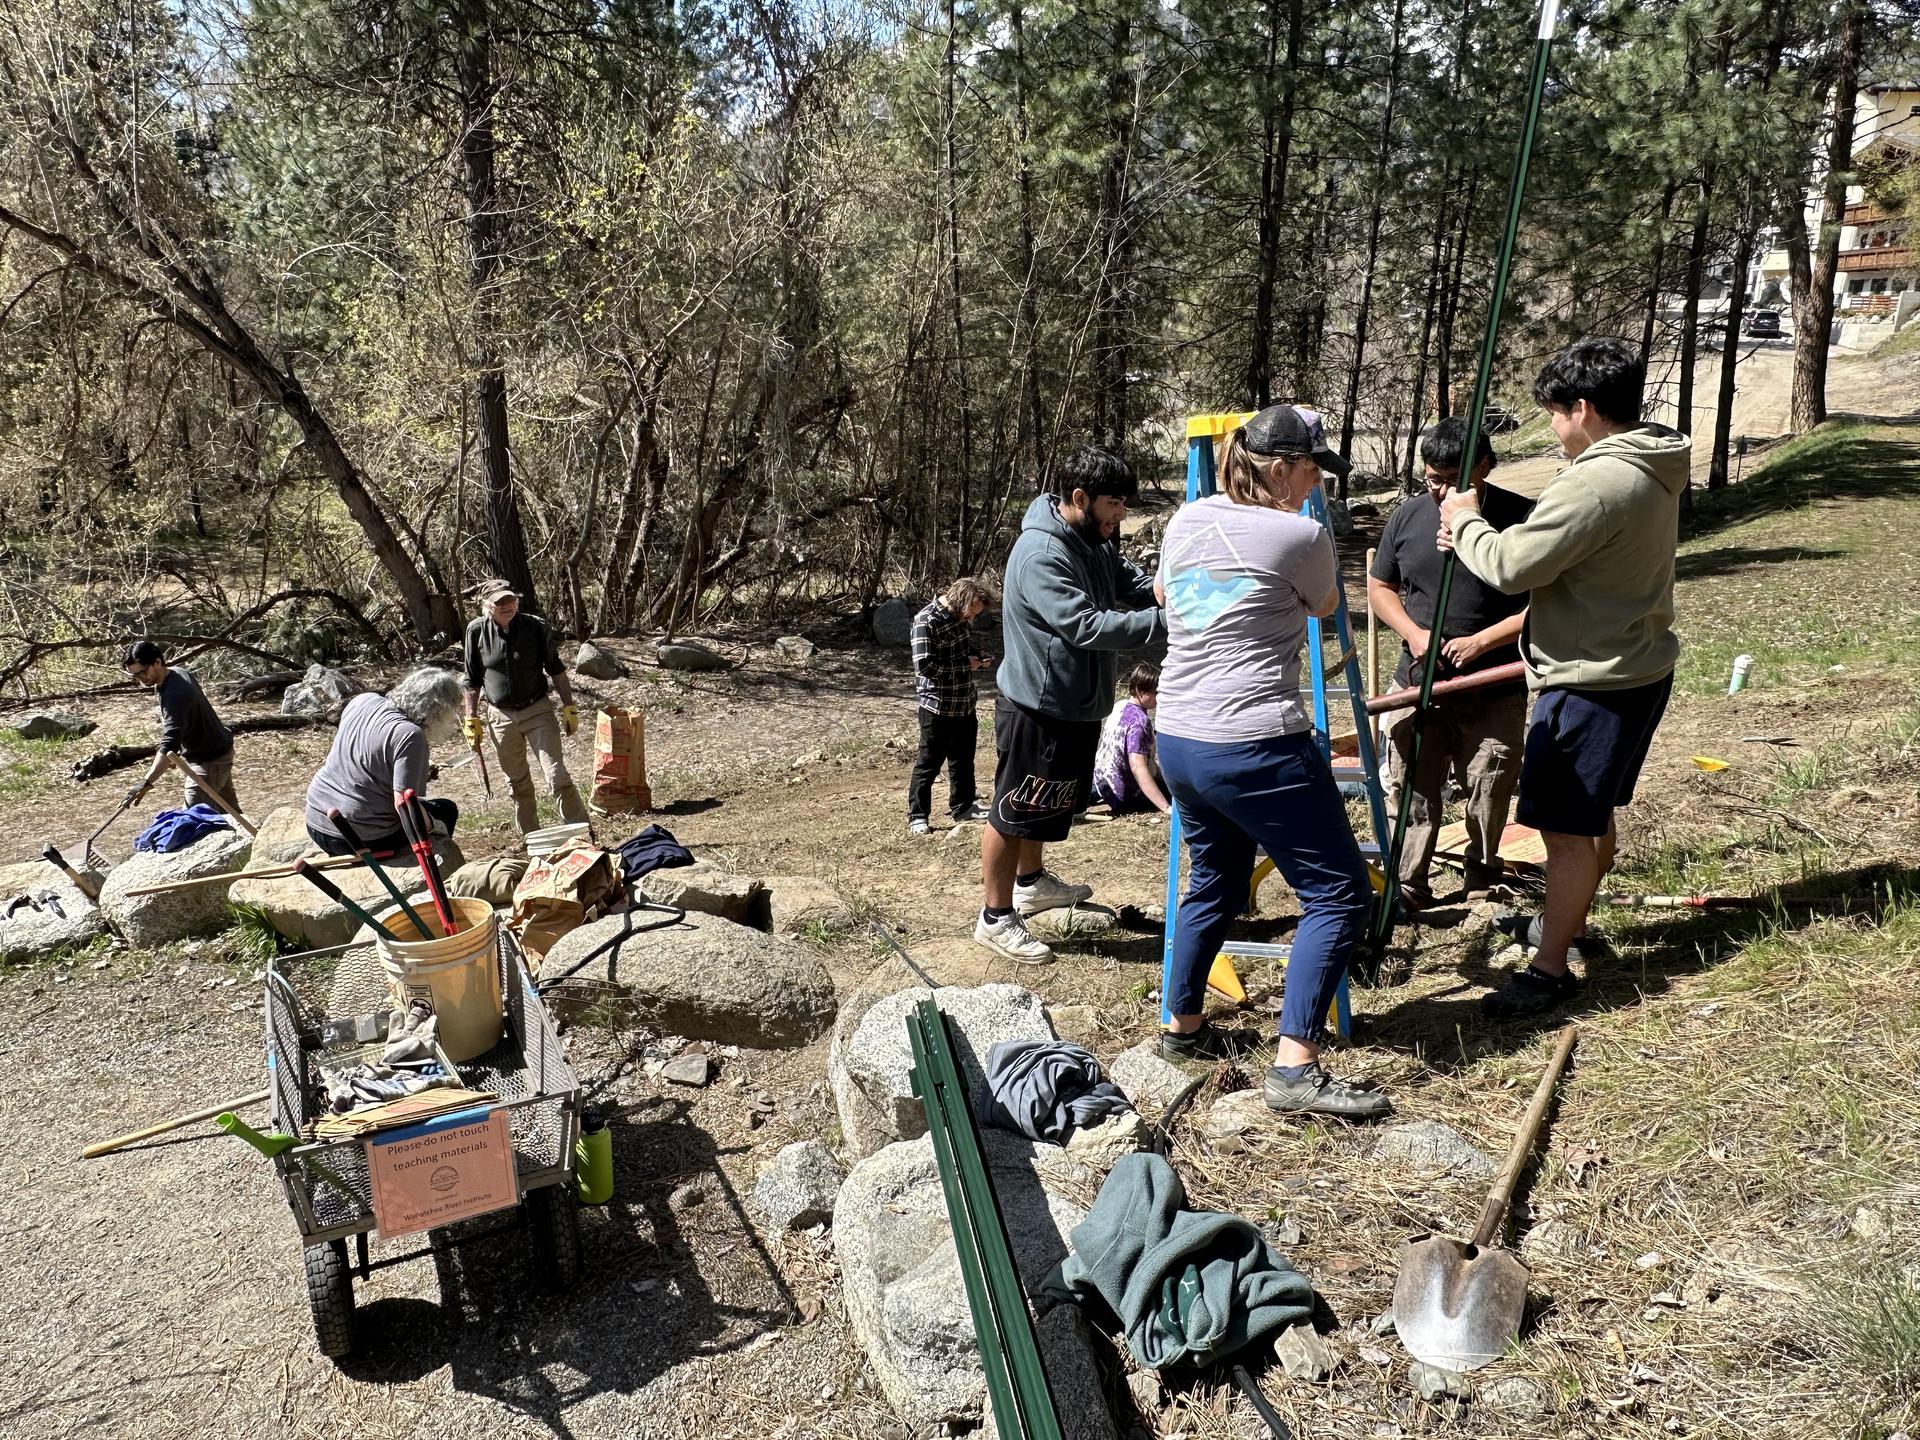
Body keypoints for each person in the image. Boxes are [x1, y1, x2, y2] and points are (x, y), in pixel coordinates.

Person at [1438, 338, 1689, 1019]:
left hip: (1592, 681)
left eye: (1554, 413)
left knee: (1567, 831)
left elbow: (1513, 566)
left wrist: (1464, 522)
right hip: (1633, 665)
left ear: (1582, 408)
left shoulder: (1595, 481)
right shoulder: (1654, 460)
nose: (1552, 428)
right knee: (1589, 812)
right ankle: (1566, 924)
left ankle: (1550, 970)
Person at [1155, 405, 1389, 1120]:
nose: (1320, 481)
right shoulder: (1301, 534)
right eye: (1314, 466)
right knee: (1338, 892)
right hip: (1256, 740)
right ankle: (1295, 1068)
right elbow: (1322, 607)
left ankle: (1183, 1024)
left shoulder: (1184, 521)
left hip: (1180, 738)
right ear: (1283, 467)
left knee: (1216, 879)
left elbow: (1167, 597)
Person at [975, 446, 1164, 965]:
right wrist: (1165, 622)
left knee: (1044, 802)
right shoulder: (1042, 554)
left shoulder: (1092, 540)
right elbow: (1086, 625)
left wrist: (1165, 591)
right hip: (1037, 704)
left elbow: (1126, 584)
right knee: (1012, 809)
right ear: (1079, 498)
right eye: (1113, 503)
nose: (1120, 515)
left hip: (1075, 702)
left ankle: (1031, 883)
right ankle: (994, 917)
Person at [1368, 418, 1529, 908]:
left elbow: (1547, 603)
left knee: (1488, 784)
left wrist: (1483, 642)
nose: (1439, 492)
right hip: (1417, 683)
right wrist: (1415, 634)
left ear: (1484, 466)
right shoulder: (1407, 517)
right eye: (1431, 479)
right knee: (1411, 785)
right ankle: (1409, 885)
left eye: (1450, 480)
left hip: (1493, 687)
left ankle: (1482, 882)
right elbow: (1380, 588)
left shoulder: (1521, 517)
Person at [461, 580, 588, 838]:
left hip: (537, 710)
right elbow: (471, 679)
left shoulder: (535, 626)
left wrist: (569, 707)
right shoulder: (476, 631)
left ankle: (580, 834)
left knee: (556, 775)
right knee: (517, 782)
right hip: (500, 716)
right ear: (487, 606)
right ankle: (531, 839)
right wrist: (470, 719)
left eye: (510, 600)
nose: (507, 606)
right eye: (500, 602)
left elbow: (556, 669)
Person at [305, 668, 465, 856]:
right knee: (445, 810)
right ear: (439, 710)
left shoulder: (364, 700)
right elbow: (405, 805)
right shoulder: (410, 735)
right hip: (356, 838)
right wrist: (434, 826)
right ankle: (438, 865)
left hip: (315, 820)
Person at [907, 577, 997, 836]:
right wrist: (965, 666)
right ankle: (918, 816)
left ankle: (964, 806)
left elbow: (962, 647)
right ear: (962, 600)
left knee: (963, 760)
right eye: (973, 610)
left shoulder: (960, 620)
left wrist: (978, 655)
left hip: (965, 702)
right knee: (928, 763)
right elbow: (924, 667)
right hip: (937, 707)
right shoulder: (925, 621)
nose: (972, 617)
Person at [121, 640, 240, 813]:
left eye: (142, 672)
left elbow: (170, 745)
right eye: (135, 676)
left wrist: (146, 783)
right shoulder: (176, 673)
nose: (140, 679)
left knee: (191, 820)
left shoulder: (175, 693)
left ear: (157, 662)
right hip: (217, 750)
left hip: (210, 759)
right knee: (230, 814)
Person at [1092, 663, 1170, 815]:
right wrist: (1166, 807)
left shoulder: (1118, 706)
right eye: (1156, 693)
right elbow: (1138, 767)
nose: (1160, 698)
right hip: (1124, 795)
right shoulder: (1139, 723)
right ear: (1141, 691)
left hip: (1102, 784)